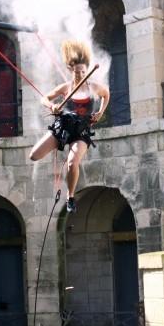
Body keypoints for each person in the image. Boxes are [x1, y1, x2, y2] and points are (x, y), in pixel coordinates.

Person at [29, 40, 110, 213]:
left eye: (82, 71)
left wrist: (101, 112)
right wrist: (52, 107)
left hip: (80, 132)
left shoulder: (94, 87)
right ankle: (57, 149)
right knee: (34, 156)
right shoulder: (66, 87)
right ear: (70, 71)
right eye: (77, 72)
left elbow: (106, 94)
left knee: (73, 163)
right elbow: (45, 98)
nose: (80, 75)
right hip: (63, 128)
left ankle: (70, 197)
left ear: (86, 70)